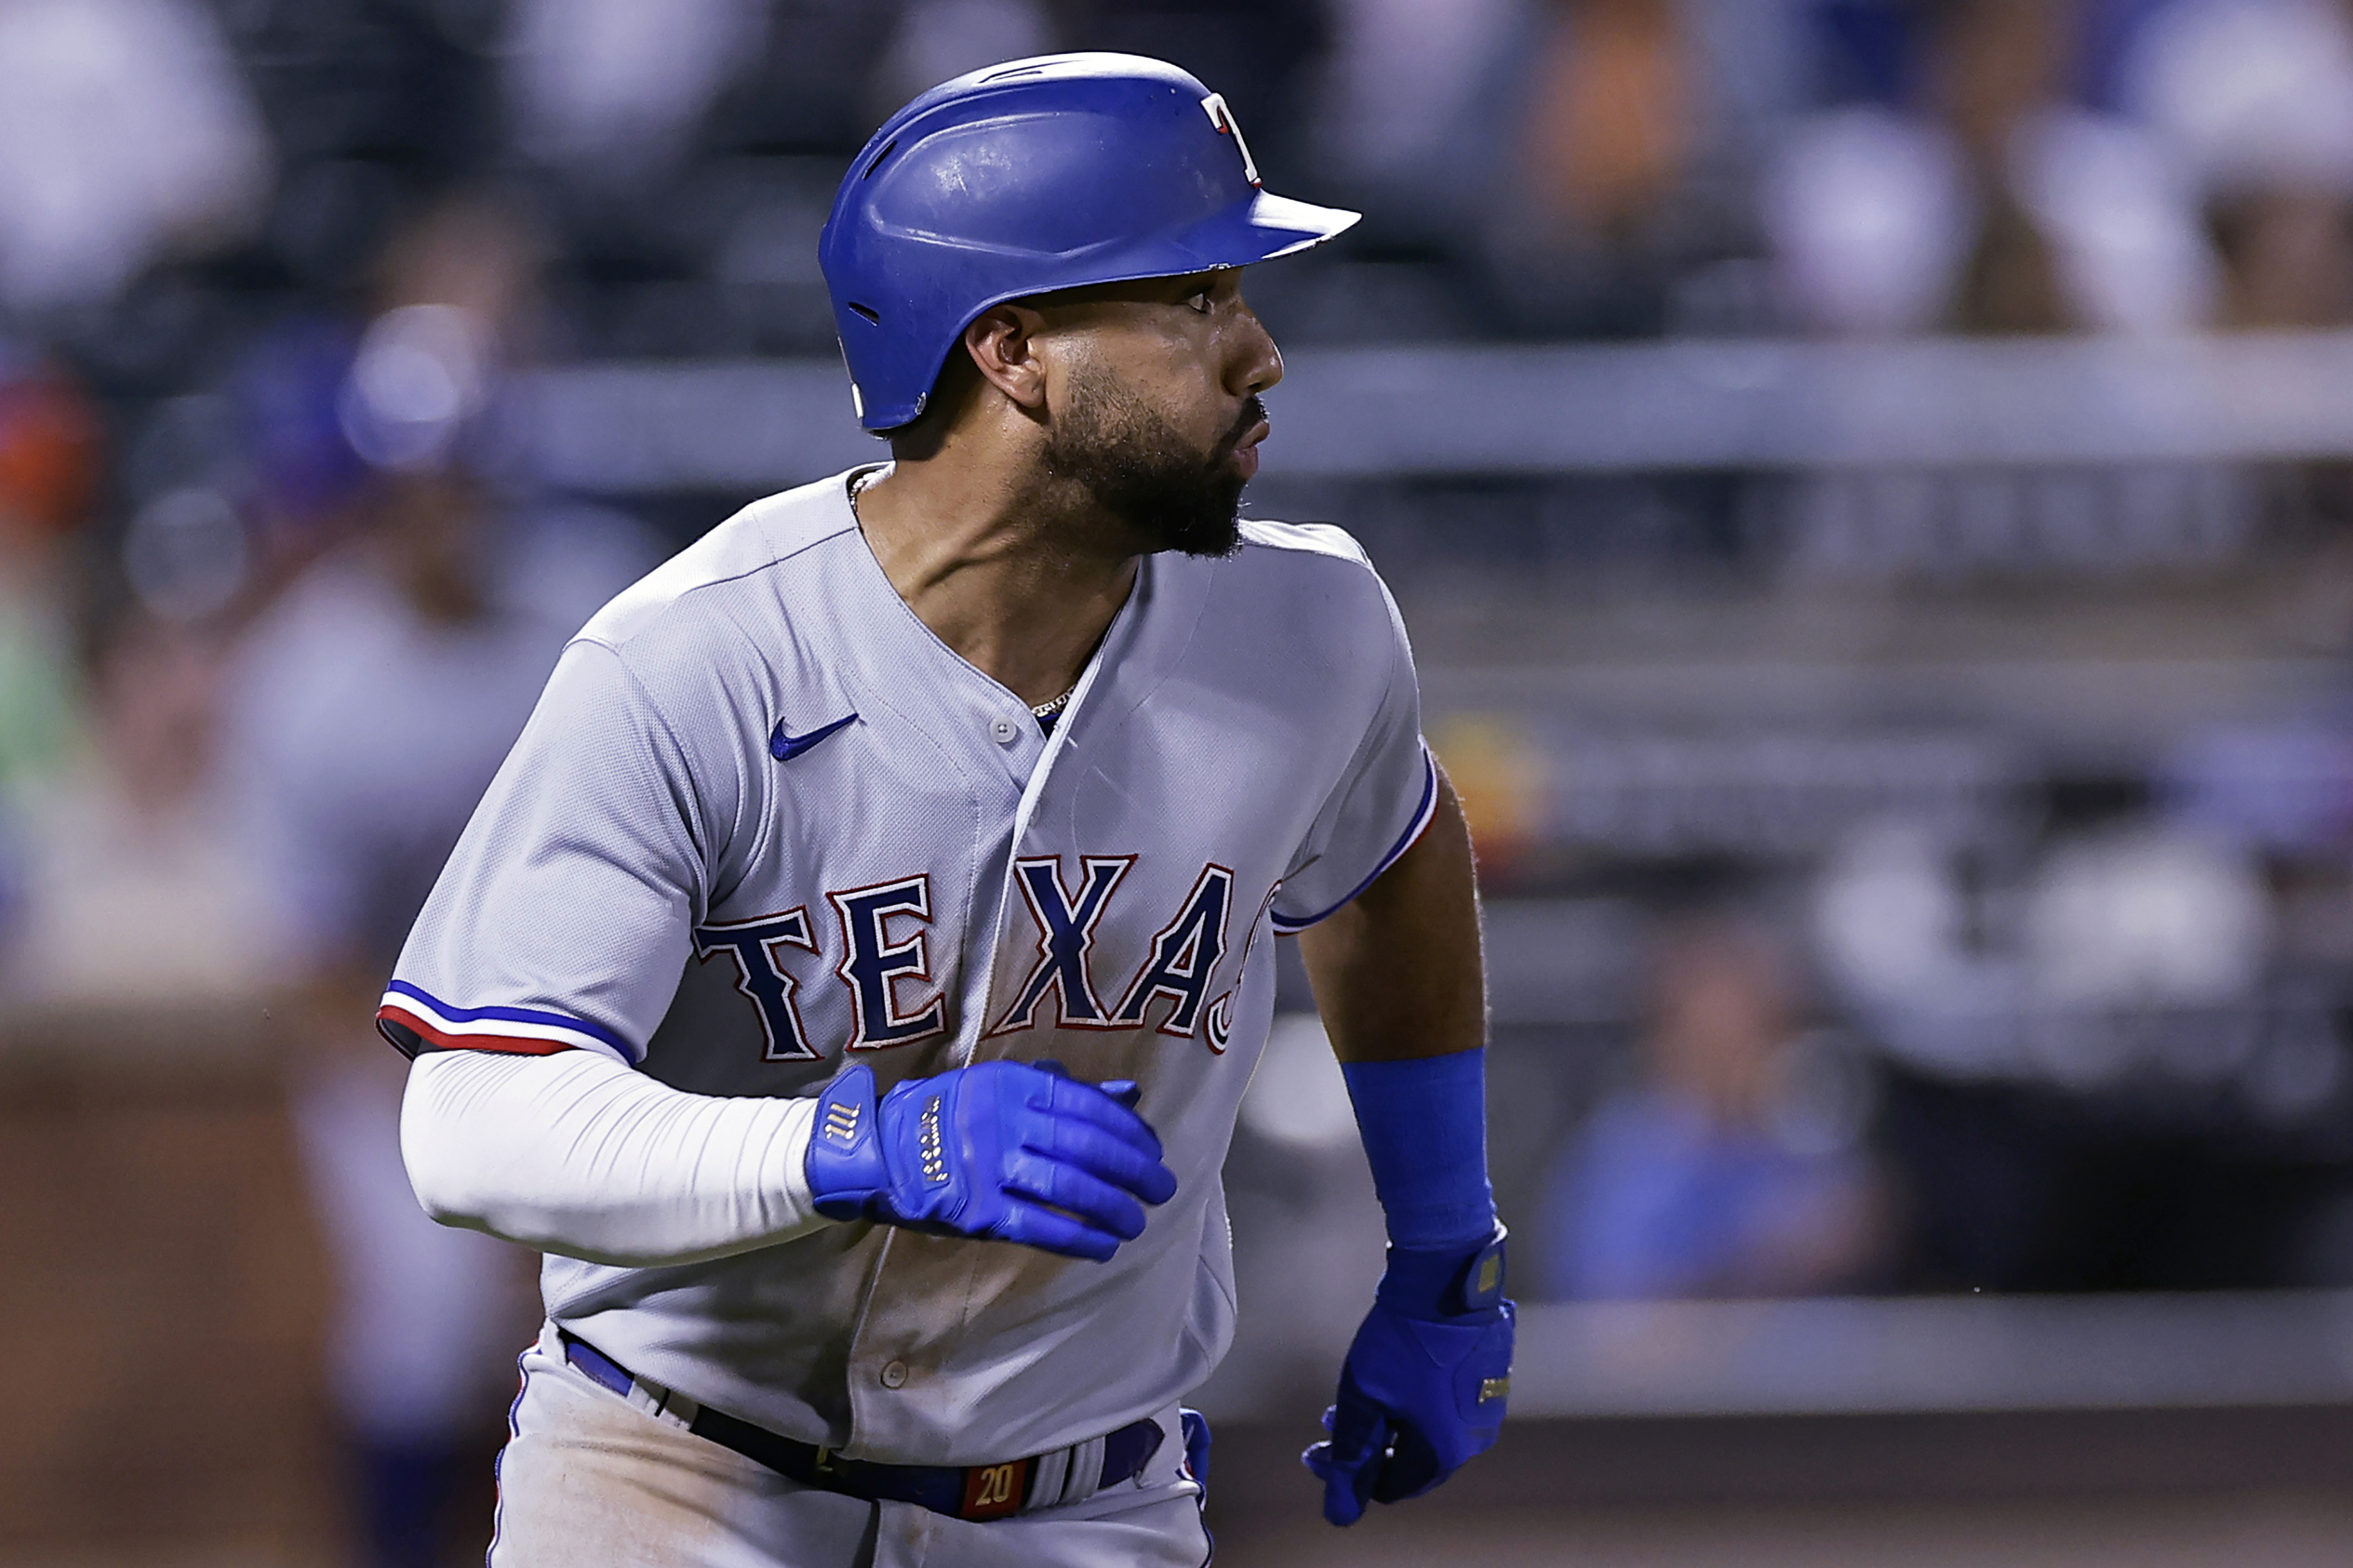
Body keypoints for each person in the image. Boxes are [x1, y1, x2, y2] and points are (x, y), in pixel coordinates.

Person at [386, 54, 1514, 1566]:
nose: (1260, 352)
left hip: (1079, 1500)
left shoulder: (1312, 628)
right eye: (1194, 298)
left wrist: (1443, 1246)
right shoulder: (695, 660)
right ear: (1013, 351)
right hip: (675, 1480)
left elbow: (1390, 862)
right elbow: (471, 1120)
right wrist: (854, 1150)